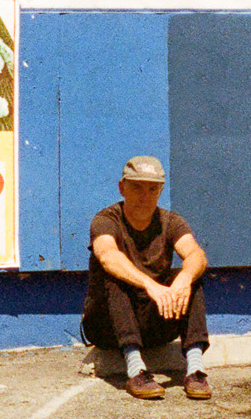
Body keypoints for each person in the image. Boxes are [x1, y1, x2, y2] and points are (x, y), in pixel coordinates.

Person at [82, 155, 212, 400]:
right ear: (122, 188)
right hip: (106, 326)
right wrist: (150, 284)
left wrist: (184, 278)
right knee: (113, 275)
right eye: (137, 188)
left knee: (190, 276)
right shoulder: (106, 220)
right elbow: (108, 255)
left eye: (152, 189)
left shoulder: (171, 222)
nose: (145, 196)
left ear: (160, 191)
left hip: (153, 323)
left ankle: (195, 369)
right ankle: (136, 370)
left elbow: (196, 254)